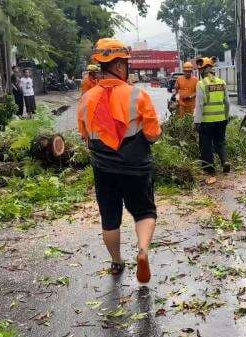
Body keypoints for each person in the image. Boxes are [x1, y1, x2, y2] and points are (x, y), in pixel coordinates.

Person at [77, 38, 162, 283]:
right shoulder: (138, 95)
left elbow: (85, 136)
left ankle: (116, 261)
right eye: (125, 64)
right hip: (137, 167)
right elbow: (152, 134)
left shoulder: (86, 99)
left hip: (104, 170)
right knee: (144, 211)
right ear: (119, 66)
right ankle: (143, 251)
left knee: (110, 217)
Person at [194, 56, 231, 184]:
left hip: (206, 121)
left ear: (202, 70)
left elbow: (199, 105)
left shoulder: (201, 84)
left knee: (206, 145)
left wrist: (197, 121)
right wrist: (226, 117)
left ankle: (210, 170)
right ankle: (225, 161)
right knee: (220, 141)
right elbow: (227, 102)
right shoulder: (222, 82)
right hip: (221, 119)